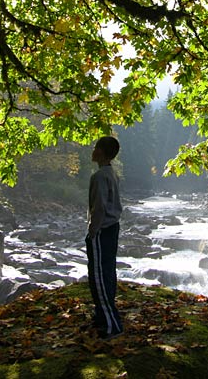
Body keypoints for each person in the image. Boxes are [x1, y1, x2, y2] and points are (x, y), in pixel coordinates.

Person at [85, 135, 123, 339]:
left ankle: (111, 325)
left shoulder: (99, 177)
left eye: (95, 147)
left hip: (102, 230)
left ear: (101, 152)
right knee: (107, 271)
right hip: (112, 228)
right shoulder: (111, 173)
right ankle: (102, 316)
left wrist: (93, 231)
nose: (92, 150)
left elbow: (99, 207)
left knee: (98, 275)